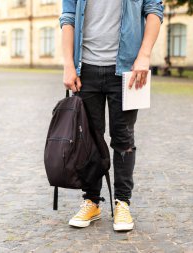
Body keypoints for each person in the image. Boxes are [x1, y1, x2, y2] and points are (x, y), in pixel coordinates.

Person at [60, 0, 164, 231]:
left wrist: (144, 55)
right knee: (89, 140)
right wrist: (68, 64)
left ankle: (122, 203)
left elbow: (154, 10)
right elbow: (68, 17)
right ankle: (92, 201)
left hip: (128, 69)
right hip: (84, 69)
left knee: (123, 138)